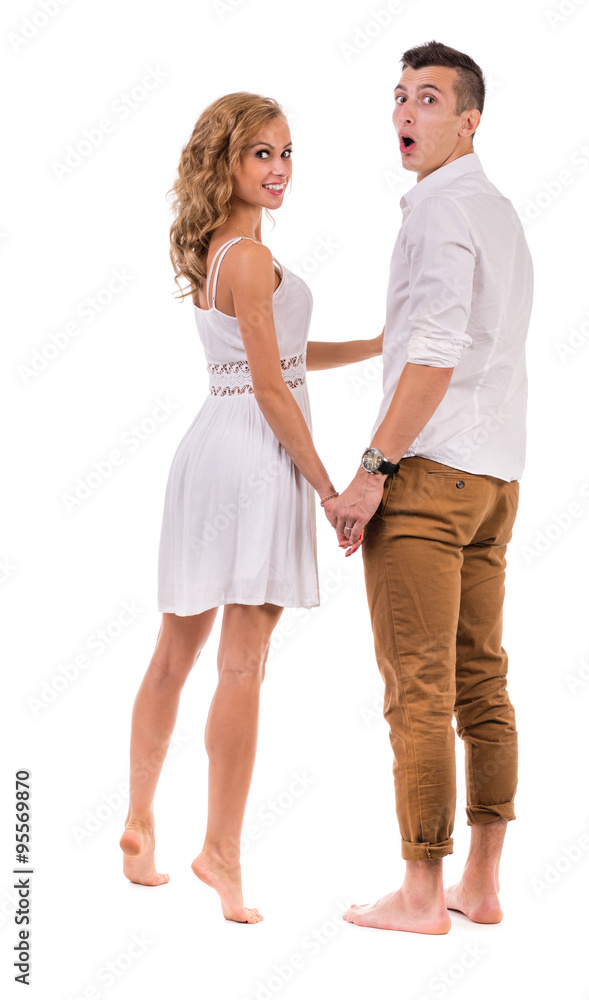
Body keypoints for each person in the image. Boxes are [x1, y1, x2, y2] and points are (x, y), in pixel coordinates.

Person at [118, 91, 382, 924]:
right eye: (261, 153)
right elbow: (273, 386)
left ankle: (137, 823)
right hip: (257, 456)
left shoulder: (219, 247)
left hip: (210, 449)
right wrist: (330, 487)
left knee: (174, 651)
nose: (279, 169)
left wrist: (380, 344)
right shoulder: (246, 257)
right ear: (224, 161)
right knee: (241, 664)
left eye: (287, 152)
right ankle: (220, 851)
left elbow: (286, 358)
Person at [325, 41, 534, 934]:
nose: (408, 113)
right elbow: (439, 336)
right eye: (401, 96)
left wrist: (370, 473)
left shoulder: (437, 213)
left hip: (428, 478)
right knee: (480, 682)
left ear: (469, 120)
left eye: (431, 98)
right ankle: (479, 886)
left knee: (418, 688)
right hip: (495, 478)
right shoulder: (497, 212)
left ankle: (419, 893)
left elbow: (438, 356)